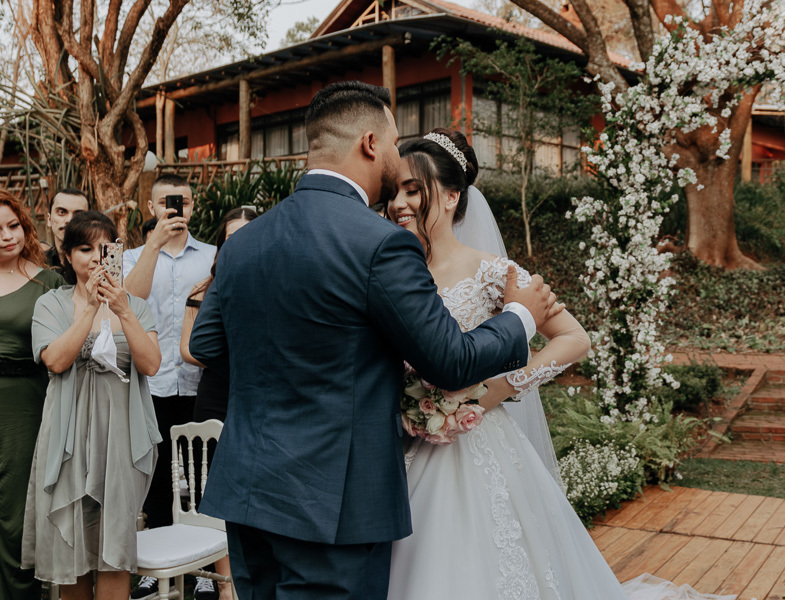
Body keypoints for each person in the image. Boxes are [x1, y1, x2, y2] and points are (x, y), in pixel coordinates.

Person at [189, 80, 561, 600]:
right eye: (392, 143)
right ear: (369, 143)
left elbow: (207, 345)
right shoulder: (379, 244)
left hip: (249, 491)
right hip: (333, 504)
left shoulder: (243, 242)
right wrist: (521, 316)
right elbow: (451, 362)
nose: (395, 156)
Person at [386, 130, 732, 600]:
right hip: (407, 454)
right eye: (394, 192)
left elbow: (574, 339)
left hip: (479, 445)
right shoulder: (393, 273)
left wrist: (497, 391)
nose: (398, 204)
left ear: (450, 196)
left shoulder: (493, 272)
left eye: (412, 189)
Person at [21, 211, 162, 599]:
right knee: (73, 556)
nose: (95, 258)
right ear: (67, 256)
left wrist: (121, 309)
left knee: (114, 550)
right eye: (84, 249)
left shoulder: (133, 305)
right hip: (68, 435)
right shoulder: (50, 304)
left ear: (116, 250)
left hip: (120, 436)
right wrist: (89, 307)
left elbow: (150, 364)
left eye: (104, 247)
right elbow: (56, 360)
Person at [123, 174, 216, 600]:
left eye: (184, 203)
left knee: (203, 476)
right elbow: (128, 302)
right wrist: (155, 245)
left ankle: (202, 565)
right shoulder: (132, 258)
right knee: (157, 477)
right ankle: (155, 562)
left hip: (200, 381)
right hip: (151, 382)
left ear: (194, 208)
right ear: (151, 207)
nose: (176, 209)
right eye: (166, 203)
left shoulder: (214, 256)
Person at [176, 206, 257, 600]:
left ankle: (244, 574)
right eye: (230, 237)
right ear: (221, 245)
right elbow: (189, 349)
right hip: (215, 392)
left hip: (256, 395)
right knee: (209, 486)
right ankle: (216, 575)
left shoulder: (271, 284)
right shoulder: (203, 289)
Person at [0, 191, 66, 600]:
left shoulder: (49, 282)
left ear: (25, 227)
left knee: (14, 514)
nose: (6, 236)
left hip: (24, 404)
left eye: (13, 226)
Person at [44, 187, 89, 284]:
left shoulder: (98, 264)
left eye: (78, 214)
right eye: (61, 212)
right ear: (49, 219)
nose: (69, 220)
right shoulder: (37, 264)